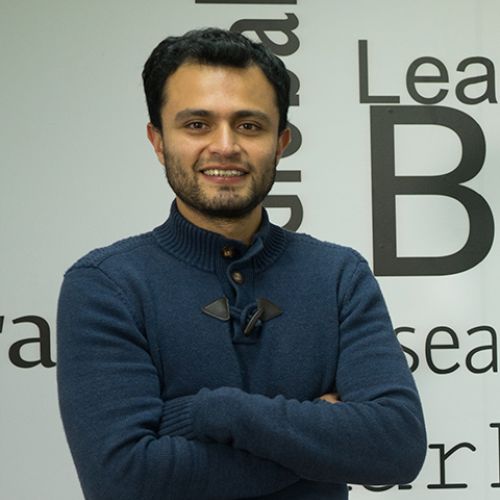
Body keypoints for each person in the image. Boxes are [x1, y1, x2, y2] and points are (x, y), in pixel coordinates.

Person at [57, 28, 426, 500]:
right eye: (197, 124)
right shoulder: (106, 285)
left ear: (281, 142)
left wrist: (213, 412)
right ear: (157, 140)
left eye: (249, 125)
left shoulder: (339, 276)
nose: (225, 146)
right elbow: (124, 481)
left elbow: (396, 447)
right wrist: (319, 441)